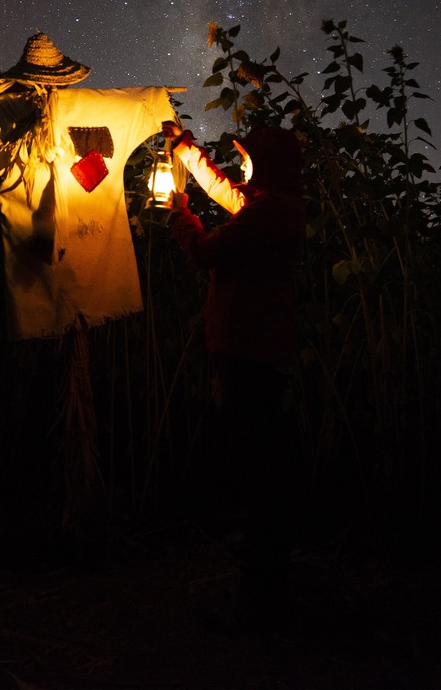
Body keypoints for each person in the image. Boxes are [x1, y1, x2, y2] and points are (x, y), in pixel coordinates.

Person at [162, 120, 307, 629]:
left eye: (249, 158)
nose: (241, 165)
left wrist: (180, 217)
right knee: (260, 467)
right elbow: (227, 191)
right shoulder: (273, 204)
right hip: (255, 349)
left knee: (257, 471)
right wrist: (187, 151)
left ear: (267, 166)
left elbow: (206, 253)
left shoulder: (269, 213)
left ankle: (260, 597)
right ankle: (263, 586)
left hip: (250, 351)